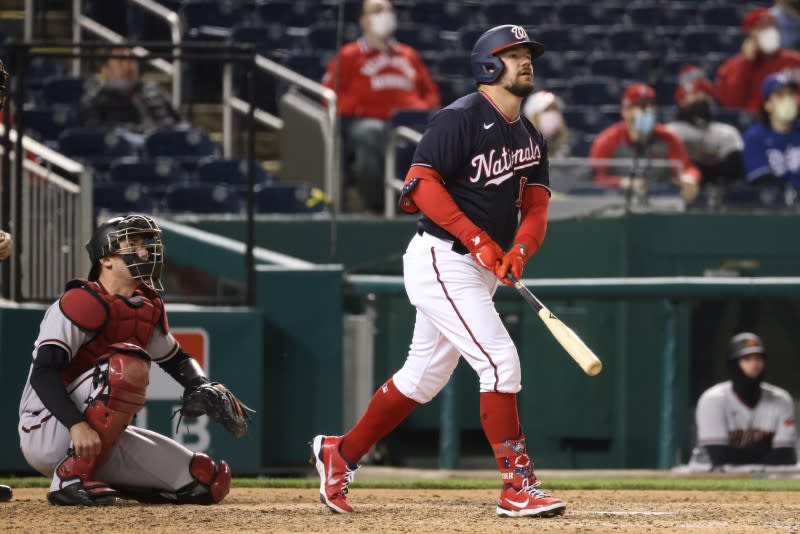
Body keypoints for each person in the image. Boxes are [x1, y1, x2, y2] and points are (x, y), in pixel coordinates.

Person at [311, 25, 566, 519]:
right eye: (512, 54)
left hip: (481, 266)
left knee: (422, 379)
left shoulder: (530, 135)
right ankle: (517, 485)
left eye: (527, 54)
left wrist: (520, 250)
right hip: (441, 258)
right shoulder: (460, 118)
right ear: (488, 67)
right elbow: (420, 185)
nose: (525, 61)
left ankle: (339, 453)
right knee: (500, 362)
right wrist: (479, 241)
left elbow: (535, 208)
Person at [18, 214, 246, 506]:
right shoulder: (80, 301)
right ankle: (68, 480)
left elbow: (176, 358)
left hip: (100, 439)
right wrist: (77, 425)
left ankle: (110, 482)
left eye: (146, 242)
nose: (144, 251)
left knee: (205, 482)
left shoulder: (144, 305)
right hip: (49, 428)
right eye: (132, 243)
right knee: (126, 364)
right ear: (106, 258)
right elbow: (44, 373)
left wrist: (201, 384)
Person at [322, 0, 440, 214]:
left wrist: (420, 109)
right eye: (377, 11)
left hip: (407, 123)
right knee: (370, 133)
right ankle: (380, 205)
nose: (385, 14)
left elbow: (431, 94)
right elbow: (328, 95)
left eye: (388, 10)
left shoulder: (408, 55)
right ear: (364, 21)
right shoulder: (350, 55)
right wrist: (360, 107)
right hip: (366, 124)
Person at [689, 332, 797, 470]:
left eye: (758, 358)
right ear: (734, 363)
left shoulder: (781, 399)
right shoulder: (713, 399)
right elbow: (719, 457)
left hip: (765, 475)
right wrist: (764, 451)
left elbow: (786, 456)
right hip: (707, 475)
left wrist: (738, 454)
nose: (754, 363)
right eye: (747, 358)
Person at [589, 82, 702, 203]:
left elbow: (688, 168)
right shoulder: (607, 140)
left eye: (651, 105)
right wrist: (622, 182)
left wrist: (690, 179)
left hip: (660, 202)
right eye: (642, 106)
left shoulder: (667, 137)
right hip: (616, 203)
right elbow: (595, 178)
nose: (649, 111)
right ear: (626, 111)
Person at [666, 67, 745, 188]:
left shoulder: (726, 132)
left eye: (706, 95)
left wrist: (697, 171)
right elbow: (666, 170)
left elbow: (733, 170)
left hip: (718, 195)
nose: (701, 98)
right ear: (681, 101)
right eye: (695, 94)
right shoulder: (670, 131)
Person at [715, 7, 800, 115]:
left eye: (772, 26)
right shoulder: (732, 66)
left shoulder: (795, 60)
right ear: (749, 34)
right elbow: (730, 104)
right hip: (751, 124)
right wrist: (746, 63)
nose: (770, 31)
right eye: (762, 27)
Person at [79, 47, 182, 136]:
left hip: (168, 144)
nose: (128, 66)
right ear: (106, 69)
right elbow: (95, 132)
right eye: (121, 61)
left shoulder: (153, 89)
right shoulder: (95, 99)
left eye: (131, 60)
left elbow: (179, 121)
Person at [743, 72, 800, 188]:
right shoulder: (755, 137)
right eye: (780, 95)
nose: (788, 100)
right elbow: (761, 179)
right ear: (767, 104)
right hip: (774, 203)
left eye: (791, 94)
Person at [523, 90, 570, 158]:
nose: (553, 114)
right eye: (547, 110)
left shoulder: (564, 150)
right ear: (533, 117)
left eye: (555, 109)